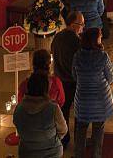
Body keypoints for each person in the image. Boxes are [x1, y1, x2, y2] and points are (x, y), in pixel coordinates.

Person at [72, 28, 113, 158]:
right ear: (95, 40)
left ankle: (79, 154)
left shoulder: (77, 56)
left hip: (83, 100)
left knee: (81, 129)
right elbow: (111, 78)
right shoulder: (102, 56)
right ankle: (96, 155)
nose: (101, 38)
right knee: (98, 129)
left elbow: (74, 76)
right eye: (100, 36)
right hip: (100, 102)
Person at [13, 73, 68, 158]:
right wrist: (52, 138)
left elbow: (18, 128)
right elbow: (63, 130)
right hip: (52, 152)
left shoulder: (19, 108)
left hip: (27, 153)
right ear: (46, 89)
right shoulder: (53, 108)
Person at [51, 11, 84, 147]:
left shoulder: (57, 37)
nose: (83, 27)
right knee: (78, 112)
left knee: (63, 111)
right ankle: (78, 141)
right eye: (81, 24)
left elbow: (53, 52)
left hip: (60, 80)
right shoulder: (77, 42)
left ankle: (64, 140)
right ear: (72, 24)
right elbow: (80, 63)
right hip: (73, 82)